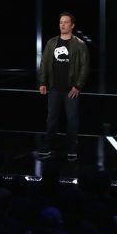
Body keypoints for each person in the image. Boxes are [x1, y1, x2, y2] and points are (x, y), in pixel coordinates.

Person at [37, 12, 90, 161]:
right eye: (61, 22)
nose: (63, 25)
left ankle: (72, 148)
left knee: (72, 120)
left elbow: (85, 66)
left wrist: (77, 86)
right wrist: (42, 82)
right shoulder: (51, 43)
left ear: (72, 25)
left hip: (71, 89)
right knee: (51, 119)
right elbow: (44, 63)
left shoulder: (79, 44)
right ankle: (48, 147)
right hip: (54, 88)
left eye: (66, 22)